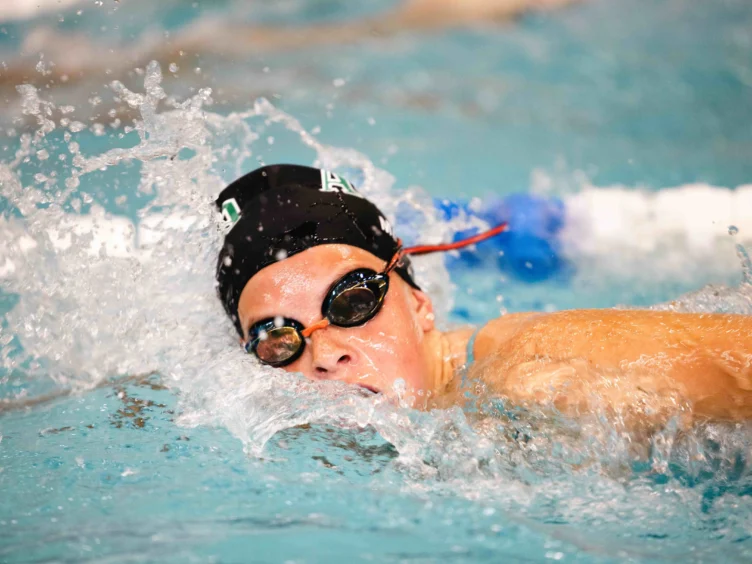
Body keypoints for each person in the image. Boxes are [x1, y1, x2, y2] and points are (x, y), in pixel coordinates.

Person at [216, 164, 752, 431]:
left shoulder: (532, 375)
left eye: (352, 303)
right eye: (278, 338)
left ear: (420, 305)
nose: (327, 355)